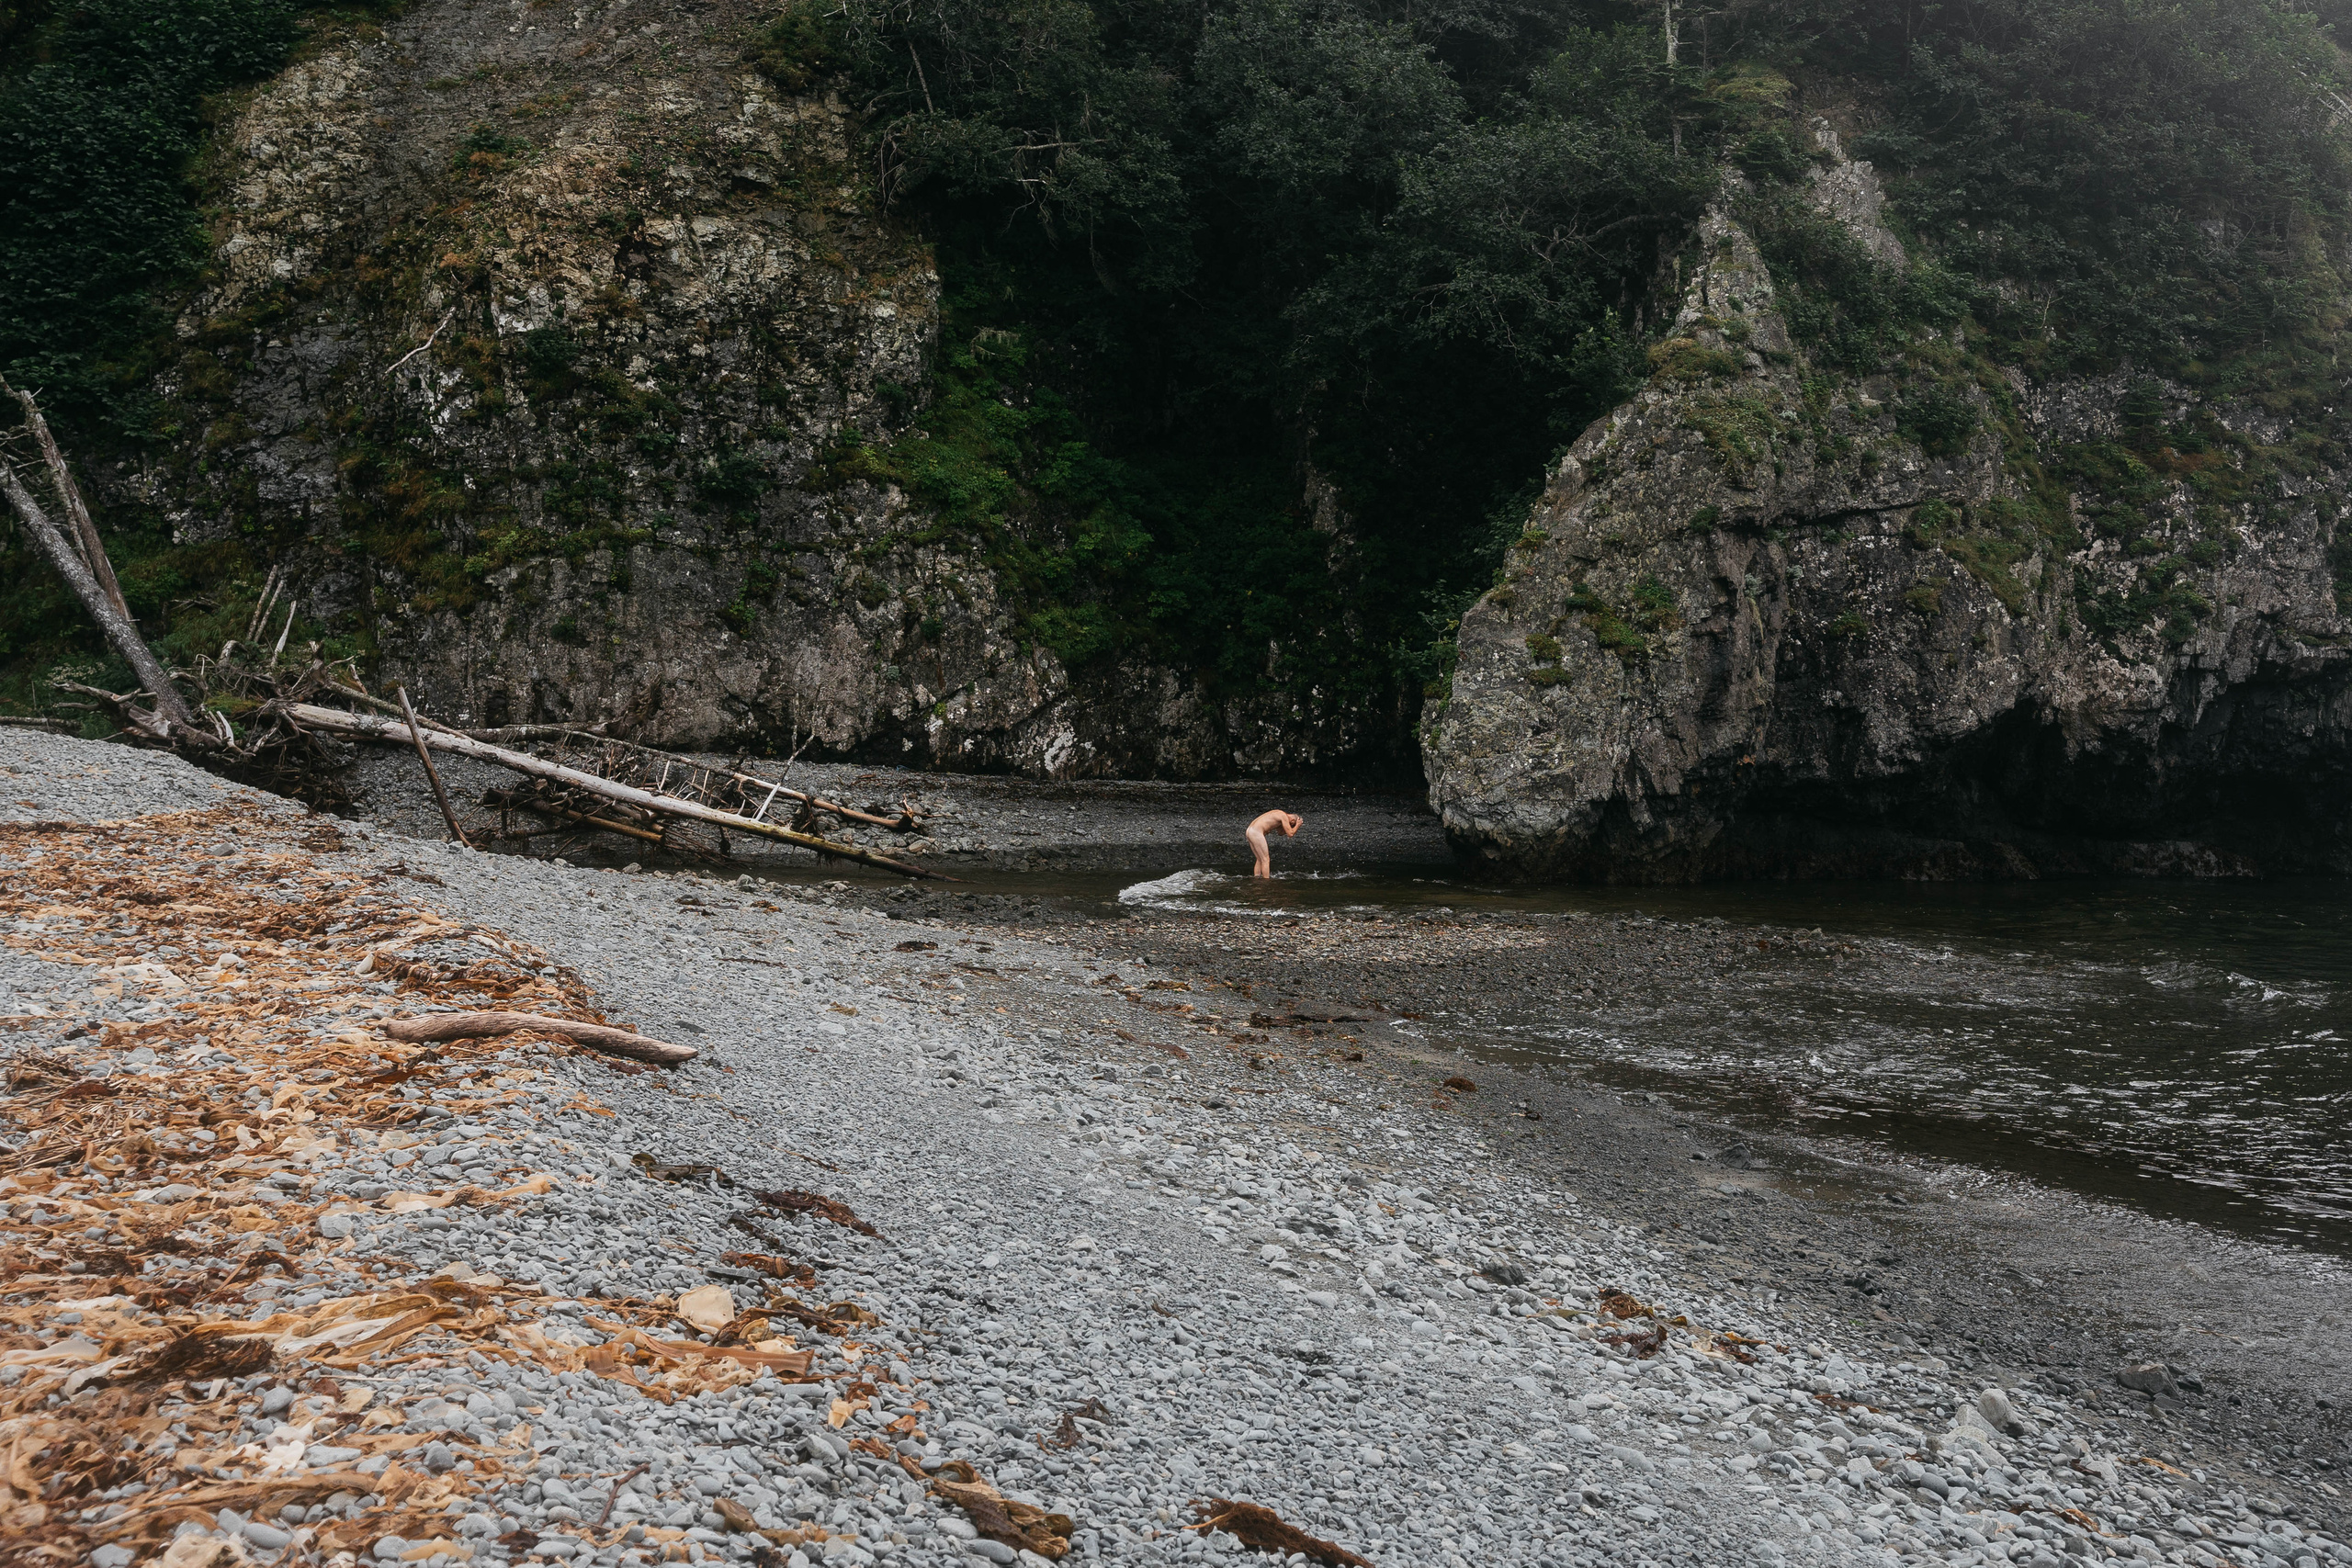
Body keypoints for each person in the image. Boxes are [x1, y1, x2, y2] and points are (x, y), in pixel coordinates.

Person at [1245, 808, 1303, 878]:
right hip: (1256, 832)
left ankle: (1256, 879)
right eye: (1291, 825)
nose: (1289, 826)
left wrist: (1290, 827)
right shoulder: (1283, 816)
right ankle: (1266, 882)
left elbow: (1280, 833)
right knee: (1266, 859)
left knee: (1260, 859)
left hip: (1249, 831)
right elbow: (1290, 834)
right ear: (1293, 821)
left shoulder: (1279, 814)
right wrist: (1298, 825)